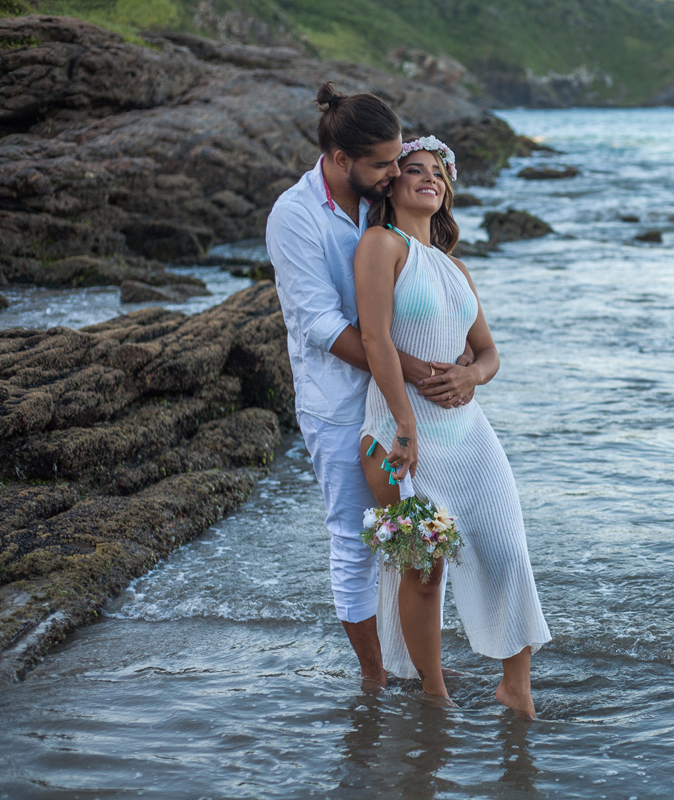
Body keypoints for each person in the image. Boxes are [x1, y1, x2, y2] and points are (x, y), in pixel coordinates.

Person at [266, 84, 471, 693]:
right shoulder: (295, 216)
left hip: (403, 404)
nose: (393, 173)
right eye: (382, 164)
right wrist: (409, 366)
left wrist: (454, 349)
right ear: (338, 159)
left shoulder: (374, 202)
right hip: (338, 403)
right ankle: (374, 671)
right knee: (356, 537)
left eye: (396, 159)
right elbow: (322, 325)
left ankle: (416, 662)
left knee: (421, 532)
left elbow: (418, 273)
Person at [354, 135, 551, 717]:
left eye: (438, 173)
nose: (428, 179)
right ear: (390, 184)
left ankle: (516, 685)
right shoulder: (379, 245)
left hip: (468, 434)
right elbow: (375, 339)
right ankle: (433, 694)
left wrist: (474, 379)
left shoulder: (455, 267)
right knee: (423, 567)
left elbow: (488, 353)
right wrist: (407, 424)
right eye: (414, 170)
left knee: (509, 551)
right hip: (397, 431)